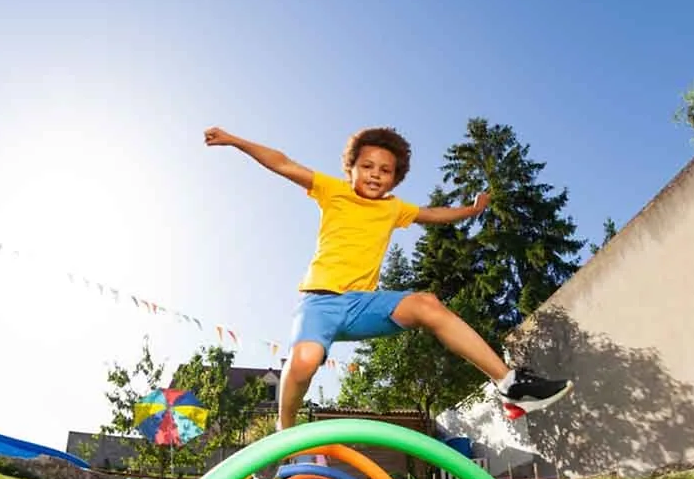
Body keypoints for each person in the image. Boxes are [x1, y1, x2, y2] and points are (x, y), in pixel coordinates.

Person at [203, 125, 573, 431]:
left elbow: (434, 214)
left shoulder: (395, 209)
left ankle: (509, 383)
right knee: (305, 359)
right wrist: (236, 141)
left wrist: (472, 209)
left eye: (385, 170)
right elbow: (282, 163)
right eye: (367, 166)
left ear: (395, 179)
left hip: (363, 304)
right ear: (351, 169)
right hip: (319, 301)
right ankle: (284, 431)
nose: (375, 175)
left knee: (427, 304)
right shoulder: (332, 190)